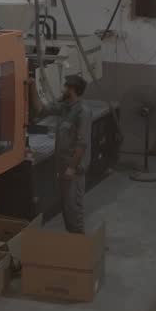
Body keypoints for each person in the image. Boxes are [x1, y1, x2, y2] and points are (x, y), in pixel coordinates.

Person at [44, 75, 92, 233]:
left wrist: (71, 168)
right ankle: (72, 244)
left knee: (73, 208)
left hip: (73, 170)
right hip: (63, 166)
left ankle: (79, 246)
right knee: (66, 207)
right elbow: (41, 109)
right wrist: (30, 86)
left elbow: (81, 144)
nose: (63, 89)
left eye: (65, 87)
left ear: (72, 89)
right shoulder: (65, 107)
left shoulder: (82, 112)